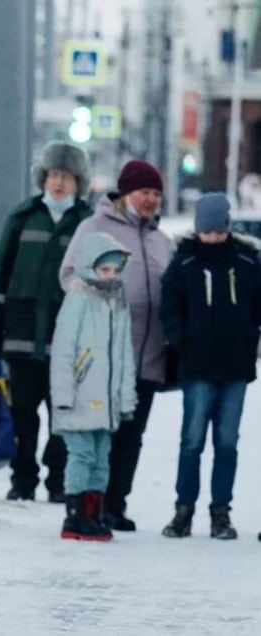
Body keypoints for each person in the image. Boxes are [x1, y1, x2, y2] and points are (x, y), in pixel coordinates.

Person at [60, 159, 173, 531]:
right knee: (100, 435)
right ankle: (92, 505)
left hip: (147, 354)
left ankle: (116, 504)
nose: (150, 200)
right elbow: (69, 275)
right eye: (144, 192)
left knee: (132, 436)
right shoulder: (94, 228)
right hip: (102, 357)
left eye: (156, 194)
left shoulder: (161, 240)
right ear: (126, 194)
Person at [0, 141, 93, 502]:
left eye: (67, 176)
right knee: (23, 415)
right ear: (43, 178)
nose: (59, 183)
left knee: (63, 416)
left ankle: (58, 480)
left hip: (68, 340)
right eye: (53, 175)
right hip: (21, 334)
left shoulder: (87, 224)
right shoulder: (23, 217)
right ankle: (23, 479)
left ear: (79, 182)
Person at [158, 193, 261, 540]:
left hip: (235, 366)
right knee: (192, 440)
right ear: (198, 229)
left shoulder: (247, 261)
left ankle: (221, 512)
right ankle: (183, 509)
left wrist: (250, 339)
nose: (213, 238)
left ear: (228, 228)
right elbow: (169, 307)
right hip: (197, 365)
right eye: (208, 232)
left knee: (228, 442)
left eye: (219, 232)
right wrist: (181, 341)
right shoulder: (185, 263)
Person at [50, 232, 136, 541]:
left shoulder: (118, 304)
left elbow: (124, 356)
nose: (110, 276)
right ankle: (74, 516)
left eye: (114, 270)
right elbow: (63, 349)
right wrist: (63, 394)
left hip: (107, 401)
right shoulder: (78, 299)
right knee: (81, 455)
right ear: (89, 268)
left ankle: (93, 512)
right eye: (104, 270)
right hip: (79, 397)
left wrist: (126, 399)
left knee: (101, 458)